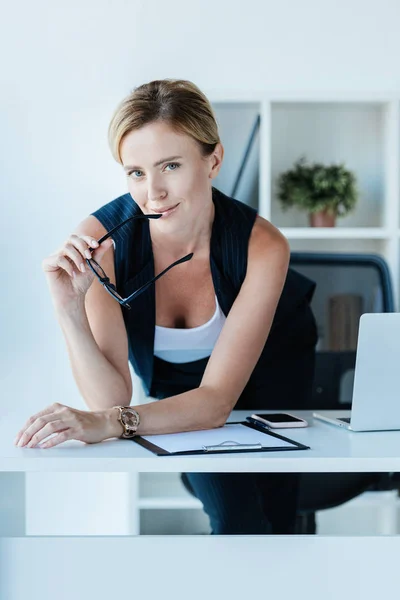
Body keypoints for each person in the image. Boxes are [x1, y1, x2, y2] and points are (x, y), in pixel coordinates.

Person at [14, 79, 318, 534]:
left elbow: (214, 403)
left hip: (273, 366)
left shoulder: (262, 244)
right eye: (135, 172)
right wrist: (68, 308)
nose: (152, 192)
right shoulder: (104, 242)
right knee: (239, 520)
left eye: (170, 165)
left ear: (212, 160)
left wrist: (110, 423)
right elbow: (110, 400)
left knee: (278, 515)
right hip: (177, 388)